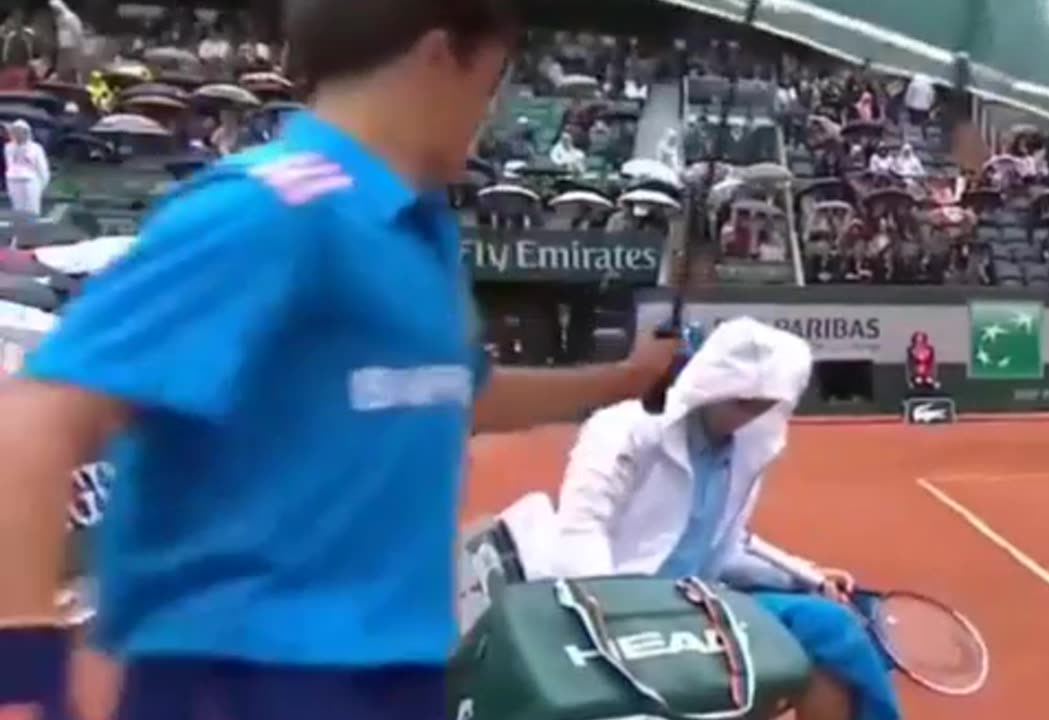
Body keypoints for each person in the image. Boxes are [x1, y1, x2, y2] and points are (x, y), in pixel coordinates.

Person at [0, 2, 679, 720]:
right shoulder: (264, 210)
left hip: (393, 673)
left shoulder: (418, 233)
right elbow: (36, 422)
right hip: (238, 681)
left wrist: (624, 379)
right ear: (440, 56)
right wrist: (27, 675)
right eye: (493, 78)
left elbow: (454, 395)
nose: (493, 108)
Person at [555, 317, 901, 720]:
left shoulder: (746, 451)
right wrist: (614, 620)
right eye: (741, 402)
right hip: (622, 608)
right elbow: (582, 528)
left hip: (701, 603)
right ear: (711, 385)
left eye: (762, 407)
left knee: (835, 627)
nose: (748, 417)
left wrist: (805, 576)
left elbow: (726, 547)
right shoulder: (622, 429)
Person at [4, 119, 50, 216]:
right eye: (15, 132)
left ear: (26, 133)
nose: (17, 135)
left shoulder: (36, 148)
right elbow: (9, 165)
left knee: (32, 209)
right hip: (14, 181)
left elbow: (42, 168)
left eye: (20, 132)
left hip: (31, 181)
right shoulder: (8, 147)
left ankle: (32, 229)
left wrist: (42, 183)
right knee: (18, 209)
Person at [905, 331, 939, 395]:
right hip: (916, 374)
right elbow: (909, 365)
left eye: (921, 341)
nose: (919, 343)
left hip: (928, 373)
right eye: (917, 341)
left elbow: (933, 364)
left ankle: (930, 386)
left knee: (929, 381)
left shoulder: (930, 350)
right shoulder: (911, 350)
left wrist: (933, 376)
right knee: (917, 381)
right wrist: (909, 379)